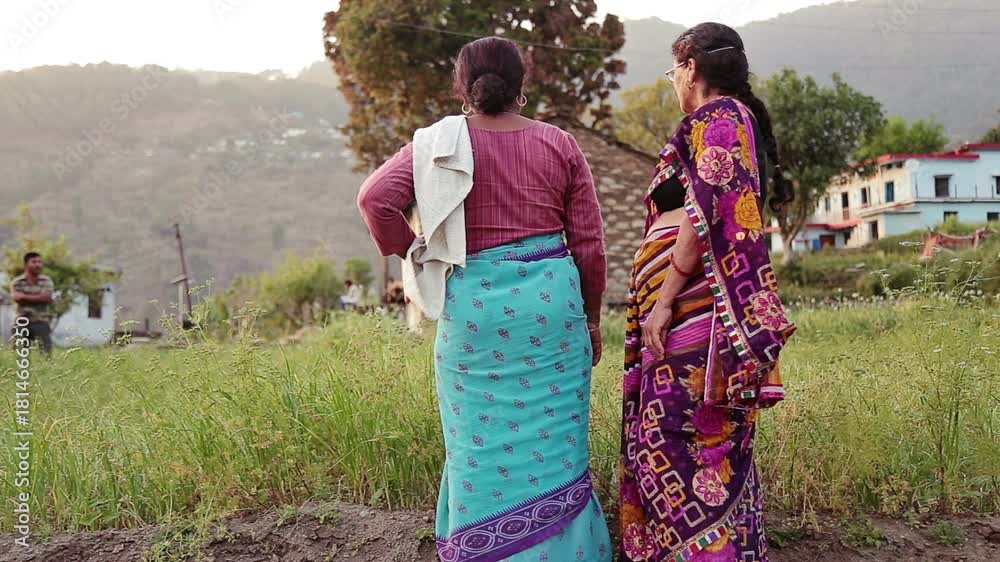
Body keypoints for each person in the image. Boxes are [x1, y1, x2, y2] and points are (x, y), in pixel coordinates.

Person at [358, 36, 611, 562]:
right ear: (522, 83)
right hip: (551, 314)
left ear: (462, 85)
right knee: (556, 450)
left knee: (478, 448)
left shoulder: (436, 145)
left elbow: (374, 199)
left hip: (474, 314)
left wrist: (417, 253)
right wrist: (591, 321)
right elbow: (589, 243)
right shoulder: (559, 144)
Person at [619, 23, 797, 561]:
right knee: (677, 439)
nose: (674, 81)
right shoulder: (722, 121)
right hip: (690, 310)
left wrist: (665, 297)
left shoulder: (720, 118)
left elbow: (706, 212)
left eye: (673, 71)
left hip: (696, 310)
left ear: (690, 67)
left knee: (680, 438)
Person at [10, 252, 55, 355]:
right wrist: (39, 297)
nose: (38, 265)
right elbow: (17, 298)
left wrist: (24, 297)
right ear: (26, 264)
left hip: (41, 321)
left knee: (46, 355)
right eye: (34, 262)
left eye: (40, 262)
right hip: (22, 321)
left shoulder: (46, 281)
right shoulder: (17, 282)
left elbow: (47, 298)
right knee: (18, 355)